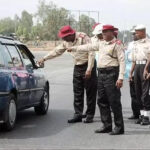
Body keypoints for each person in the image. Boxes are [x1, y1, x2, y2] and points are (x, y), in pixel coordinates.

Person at [67, 25, 125, 135]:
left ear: (111, 32)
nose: (102, 35)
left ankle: (119, 127)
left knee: (114, 101)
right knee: (101, 100)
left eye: (104, 32)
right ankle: (107, 125)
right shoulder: (101, 43)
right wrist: (74, 48)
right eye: (102, 33)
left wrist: (121, 77)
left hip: (111, 73)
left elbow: (122, 61)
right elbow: (87, 47)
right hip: (101, 74)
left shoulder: (117, 44)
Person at [38, 25, 97, 123]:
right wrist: (44, 58)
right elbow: (56, 51)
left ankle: (90, 115)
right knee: (77, 92)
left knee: (90, 92)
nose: (63, 39)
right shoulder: (67, 42)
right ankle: (78, 114)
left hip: (88, 65)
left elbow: (91, 52)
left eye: (64, 37)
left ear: (71, 34)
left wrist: (89, 69)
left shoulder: (83, 37)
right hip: (78, 66)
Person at [130, 25, 150, 125]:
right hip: (137, 67)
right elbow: (134, 60)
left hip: (146, 67)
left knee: (145, 93)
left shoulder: (149, 43)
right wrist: (131, 73)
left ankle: (147, 116)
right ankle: (141, 115)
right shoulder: (136, 44)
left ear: (143, 32)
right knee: (138, 92)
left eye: (137, 32)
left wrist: (147, 70)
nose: (135, 34)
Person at [126, 29, 140, 119]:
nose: (133, 35)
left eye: (135, 34)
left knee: (141, 93)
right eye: (133, 34)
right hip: (131, 72)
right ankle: (135, 113)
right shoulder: (130, 44)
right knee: (133, 94)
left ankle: (143, 114)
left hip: (140, 70)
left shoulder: (145, 43)